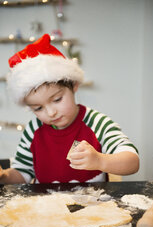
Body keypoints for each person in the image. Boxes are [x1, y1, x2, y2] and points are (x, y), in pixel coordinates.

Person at [0, 34, 139, 184]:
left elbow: (132, 162)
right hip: (44, 206)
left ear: (74, 85)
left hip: (92, 205)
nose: (51, 113)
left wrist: (100, 160)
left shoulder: (97, 123)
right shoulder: (34, 130)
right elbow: (22, 174)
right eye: (38, 108)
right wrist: (4, 176)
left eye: (57, 99)